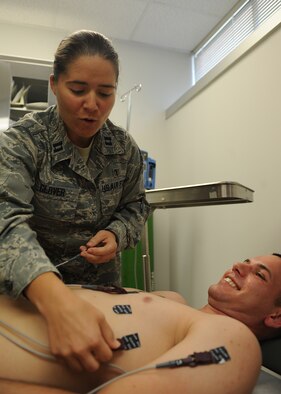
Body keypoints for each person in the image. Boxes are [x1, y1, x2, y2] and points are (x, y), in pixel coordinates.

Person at [0, 30, 150, 372]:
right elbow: (5, 221)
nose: (93, 105)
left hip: (100, 288)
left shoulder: (123, 149)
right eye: (78, 90)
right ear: (54, 84)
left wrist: (117, 234)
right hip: (30, 292)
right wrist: (58, 303)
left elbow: (136, 206)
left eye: (106, 93)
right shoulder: (23, 143)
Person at [1, 253, 281, 394]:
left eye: (260, 274)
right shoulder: (172, 302)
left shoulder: (235, 340)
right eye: (245, 260)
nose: (238, 266)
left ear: (276, 316)